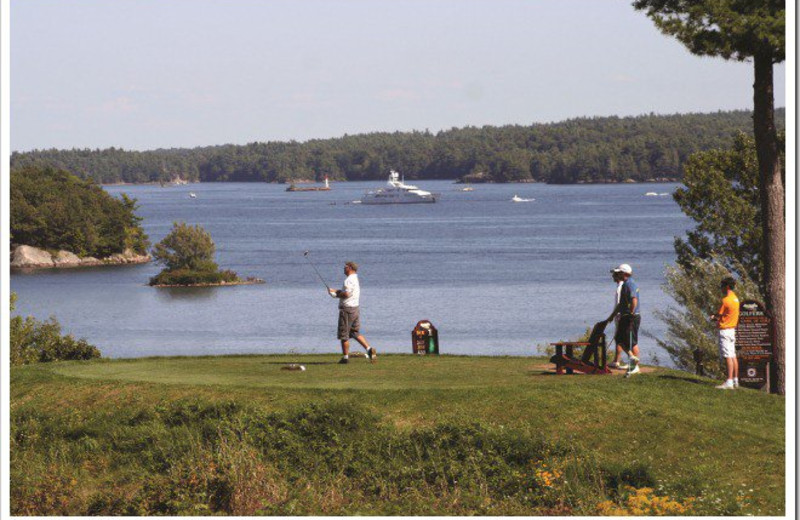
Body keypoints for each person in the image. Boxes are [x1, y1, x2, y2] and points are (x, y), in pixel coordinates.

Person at [329, 261, 376, 364]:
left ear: (350, 268)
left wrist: (335, 295)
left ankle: (345, 358)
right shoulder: (355, 278)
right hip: (355, 309)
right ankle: (369, 350)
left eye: (345, 267)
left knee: (344, 334)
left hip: (347, 310)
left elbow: (346, 294)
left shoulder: (349, 280)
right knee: (354, 332)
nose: (343, 268)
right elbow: (347, 292)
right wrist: (336, 291)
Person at [606, 263, 641, 376]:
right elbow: (621, 304)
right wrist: (612, 316)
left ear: (624, 273)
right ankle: (632, 357)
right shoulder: (625, 284)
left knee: (632, 341)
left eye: (618, 272)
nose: (616, 274)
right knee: (620, 338)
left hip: (631, 316)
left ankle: (634, 366)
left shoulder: (630, 284)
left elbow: (634, 299)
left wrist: (631, 313)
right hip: (626, 316)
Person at [710, 277, 740, 389]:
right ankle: (736, 380)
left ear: (727, 286)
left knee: (727, 356)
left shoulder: (726, 300)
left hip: (725, 330)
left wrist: (713, 317)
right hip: (732, 329)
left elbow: (718, 316)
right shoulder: (735, 299)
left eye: (722, 286)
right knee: (733, 355)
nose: (721, 288)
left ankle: (729, 381)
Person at [606, 268, 627, 369]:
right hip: (620, 316)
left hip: (619, 316)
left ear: (618, 276)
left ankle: (618, 361)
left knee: (620, 338)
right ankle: (616, 360)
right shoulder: (621, 286)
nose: (612, 276)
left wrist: (612, 316)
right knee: (619, 338)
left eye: (614, 274)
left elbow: (620, 304)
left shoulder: (620, 288)